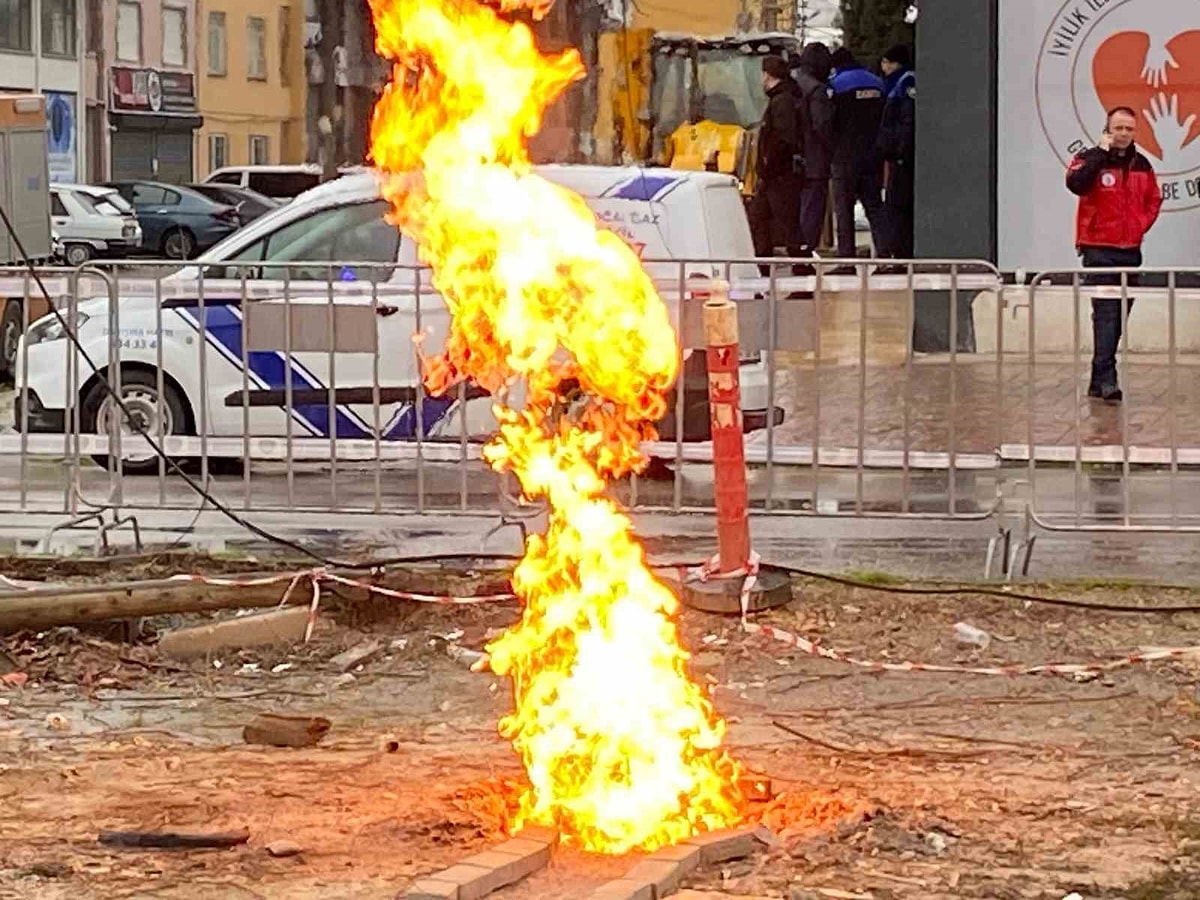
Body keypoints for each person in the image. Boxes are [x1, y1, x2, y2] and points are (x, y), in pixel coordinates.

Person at [1065, 106, 1162, 403]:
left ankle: (1098, 376)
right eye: (1118, 128)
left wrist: (1138, 227)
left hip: (1130, 250)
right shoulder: (1090, 158)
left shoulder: (1142, 164)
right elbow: (1075, 184)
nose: (1123, 134)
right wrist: (1099, 153)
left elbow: (1153, 200)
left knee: (1119, 315)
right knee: (1106, 314)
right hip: (1099, 249)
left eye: (1128, 129)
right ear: (1108, 130)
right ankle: (1108, 378)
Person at [828, 46, 887, 271]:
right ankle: (884, 256)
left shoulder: (836, 85)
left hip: (845, 156)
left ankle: (847, 261)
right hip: (873, 155)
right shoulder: (877, 83)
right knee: (874, 207)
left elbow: (831, 121)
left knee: (844, 210)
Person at [748, 55, 803, 268]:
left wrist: (768, 165)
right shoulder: (783, 98)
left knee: (788, 226)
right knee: (758, 221)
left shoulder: (782, 102)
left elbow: (783, 140)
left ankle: (803, 274)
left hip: (779, 176)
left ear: (767, 75)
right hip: (773, 175)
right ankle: (760, 273)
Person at [790, 42, 835, 262]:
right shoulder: (817, 90)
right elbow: (822, 126)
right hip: (815, 160)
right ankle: (805, 254)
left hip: (795, 160)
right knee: (812, 211)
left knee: (798, 210)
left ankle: (797, 251)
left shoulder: (794, 85)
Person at [877, 44, 916, 262]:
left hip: (902, 158)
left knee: (898, 205)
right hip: (897, 156)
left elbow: (906, 122)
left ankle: (902, 254)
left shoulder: (905, 83)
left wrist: (900, 151)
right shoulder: (894, 83)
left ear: (892, 63)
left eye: (884, 62)